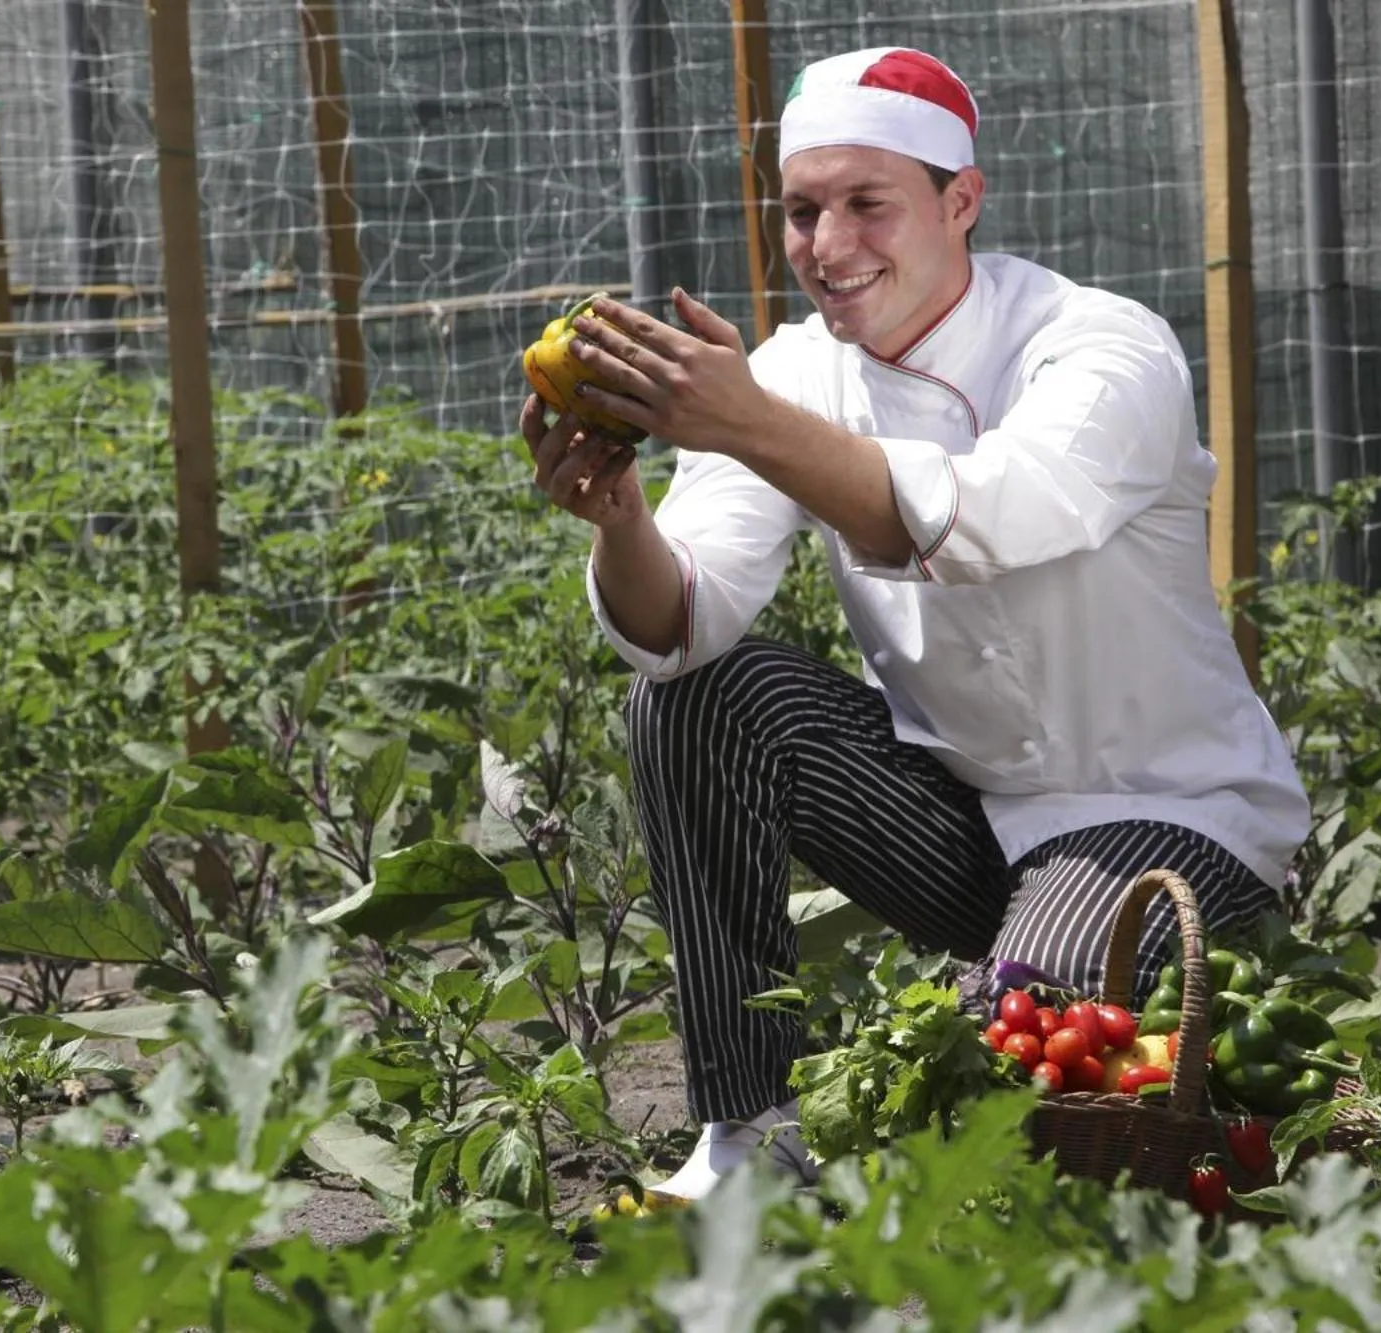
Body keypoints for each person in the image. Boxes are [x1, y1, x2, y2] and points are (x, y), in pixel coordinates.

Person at [517, 46, 1311, 1203]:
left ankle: (1087, 1014)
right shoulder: (790, 374)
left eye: (864, 205)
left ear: (960, 200)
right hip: (965, 822)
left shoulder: (1098, 346)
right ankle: (747, 1131)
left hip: (1160, 811)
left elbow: (988, 517)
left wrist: (745, 422)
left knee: (1003, 1072)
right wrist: (620, 513)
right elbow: (679, 621)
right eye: (799, 211)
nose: (826, 246)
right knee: (694, 697)